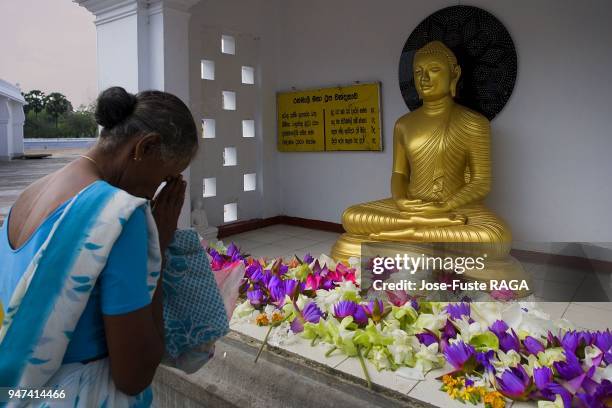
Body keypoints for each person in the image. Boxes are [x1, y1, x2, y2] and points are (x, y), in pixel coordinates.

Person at [0, 86, 198, 406]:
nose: (155, 194)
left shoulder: (27, 196)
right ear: (145, 147)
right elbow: (134, 375)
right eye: (164, 179)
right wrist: (156, 249)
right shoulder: (119, 215)